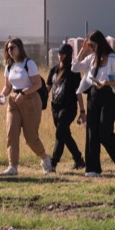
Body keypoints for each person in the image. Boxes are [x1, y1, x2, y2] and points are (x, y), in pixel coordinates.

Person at [72, 31, 115, 176]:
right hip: (93, 95)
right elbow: (75, 68)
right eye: (89, 45)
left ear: (100, 43)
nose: (90, 47)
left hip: (108, 95)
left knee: (104, 132)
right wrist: (82, 50)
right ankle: (93, 168)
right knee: (92, 132)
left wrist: (108, 82)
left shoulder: (113, 59)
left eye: (92, 45)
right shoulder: (91, 58)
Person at [0, 38, 53, 177]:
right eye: (8, 48)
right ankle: (12, 166)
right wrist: (2, 95)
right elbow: (8, 86)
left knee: (30, 137)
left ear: (19, 48)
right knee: (11, 133)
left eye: (12, 48)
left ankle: (45, 158)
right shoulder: (9, 67)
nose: (10, 51)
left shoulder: (29, 63)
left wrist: (24, 93)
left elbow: (37, 84)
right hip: (14, 102)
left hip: (30, 100)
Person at [46, 42, 86, 173]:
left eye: (63, 53)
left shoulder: (73, 72)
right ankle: (79, 160)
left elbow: (78, 92)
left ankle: (53, 163)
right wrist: (38, 101)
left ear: (68, 55)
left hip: (69, 108)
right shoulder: (54, 70)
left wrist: (82, 111)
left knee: (59, 133)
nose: (60, 56)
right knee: (65, 134)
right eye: (59, 53)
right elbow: (47, 89)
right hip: (55, 108)